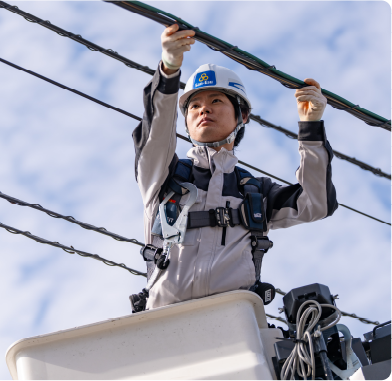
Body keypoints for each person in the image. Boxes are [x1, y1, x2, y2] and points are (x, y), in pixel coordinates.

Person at [133, 24, 338, 310]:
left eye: (216, 100)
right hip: (166, 322)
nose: (204, 109)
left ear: (242, 115)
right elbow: (155, 135)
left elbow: (316, 203)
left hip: (234, 323)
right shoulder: (164, 176)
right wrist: (168, 71)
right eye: (194, 105)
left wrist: (311, 128)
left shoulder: (254, 192)